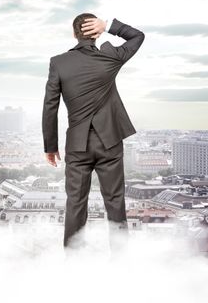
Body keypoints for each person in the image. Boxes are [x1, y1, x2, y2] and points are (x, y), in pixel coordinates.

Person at [41, 13, 145, 250]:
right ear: (96, 33)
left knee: (75, 203)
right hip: (110, 141)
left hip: (78, 145)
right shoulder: (110, 57)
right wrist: (108, 26)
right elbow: (138, 36)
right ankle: (120, 261)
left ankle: (73, 262)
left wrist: (50, 146)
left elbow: (50, 106)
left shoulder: (58, 62)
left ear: (73, 34)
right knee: (115, 201)